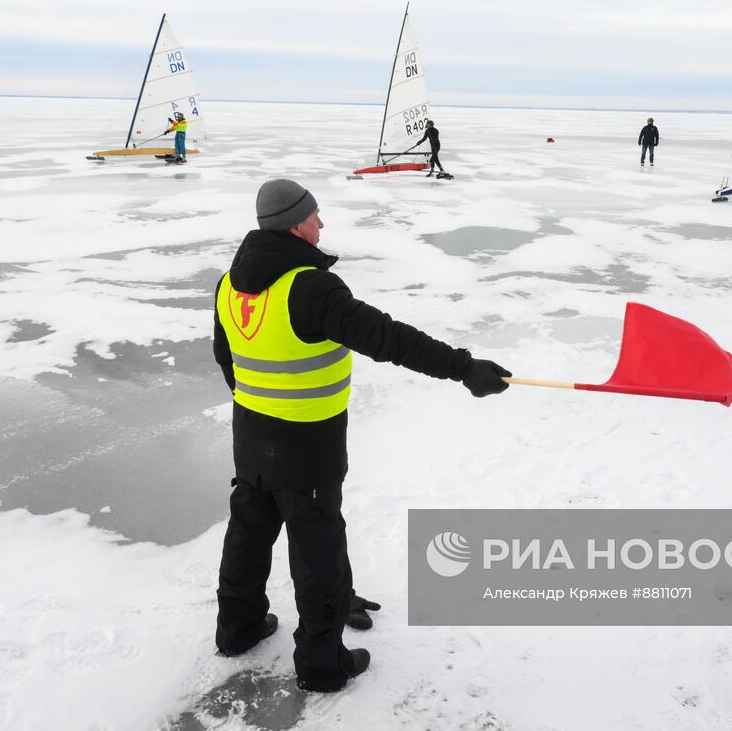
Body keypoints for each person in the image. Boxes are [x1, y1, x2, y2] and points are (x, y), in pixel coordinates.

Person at [211, 179, 511, 692]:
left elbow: (227, 358)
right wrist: (465, 369)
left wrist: (258, 408)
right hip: (307, 446)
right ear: (295, 224)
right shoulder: (309, 286)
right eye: (316, 216)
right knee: (318, 551)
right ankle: (323, 665)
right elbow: (388, 337)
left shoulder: (229, 283)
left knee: (249, 532)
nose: (322, 224)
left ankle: (237, 629)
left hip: (252, 437)